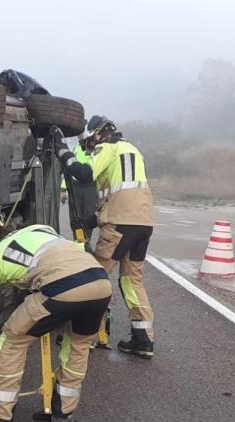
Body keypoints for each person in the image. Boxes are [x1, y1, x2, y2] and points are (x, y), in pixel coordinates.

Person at [0, 207, 112, 422]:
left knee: (12, 340)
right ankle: (62, 414)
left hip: (62, 288)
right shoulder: (39, 229)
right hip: (100, 283)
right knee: (78, 346)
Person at [57, 116, 156, 359]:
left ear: (99, 134)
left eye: (92, 141)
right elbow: (120, 195)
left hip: (119, 225)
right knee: (132, 281)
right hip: (143, 223)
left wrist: (64, 154)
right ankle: (143, 339)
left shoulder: (107, 147)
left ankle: (87, 336)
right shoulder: (132, 150)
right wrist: (91, 221)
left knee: (95, 277)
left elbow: (85, 174)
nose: (91, 148)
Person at [59, 134, 99, 249]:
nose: (79, 138)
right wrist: (63, 189)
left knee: (88, 217)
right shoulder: (76, 148)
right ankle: (79, 241)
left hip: (90, 187)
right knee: (76, 218)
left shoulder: (96, 148)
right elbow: (68, 171)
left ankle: (86, 241)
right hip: (75, 187)